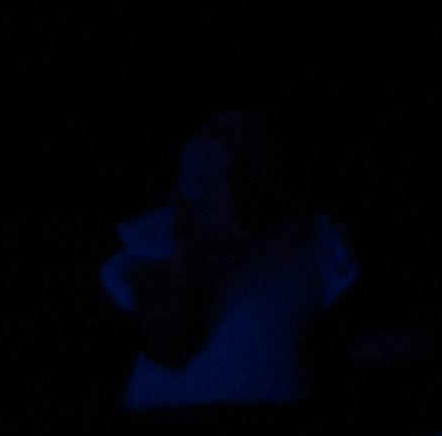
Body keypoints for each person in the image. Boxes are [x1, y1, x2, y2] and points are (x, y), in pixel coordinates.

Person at [102, 112, 358, 409]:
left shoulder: (314, 239)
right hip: (159, 430)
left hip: (276, 430)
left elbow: (345, 341)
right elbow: (168, 343)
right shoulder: (149, 247)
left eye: (232, 171)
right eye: (204, 177)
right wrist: (182, 248)